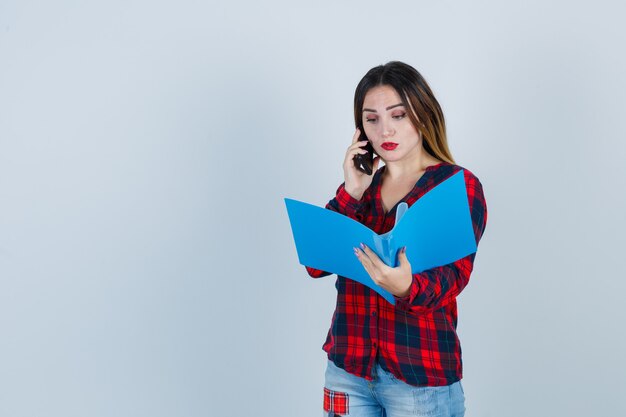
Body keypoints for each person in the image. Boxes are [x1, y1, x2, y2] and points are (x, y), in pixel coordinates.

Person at [305, 61, 488, 417]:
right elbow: (315, 264)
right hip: (348, 371)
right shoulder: (362, 187)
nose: (384, 128)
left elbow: (454, 277)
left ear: (422, 114)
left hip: (419, 377)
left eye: (398, 115)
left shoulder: (456, 187)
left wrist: (406, 287)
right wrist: (351, 191)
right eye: (371, 119)